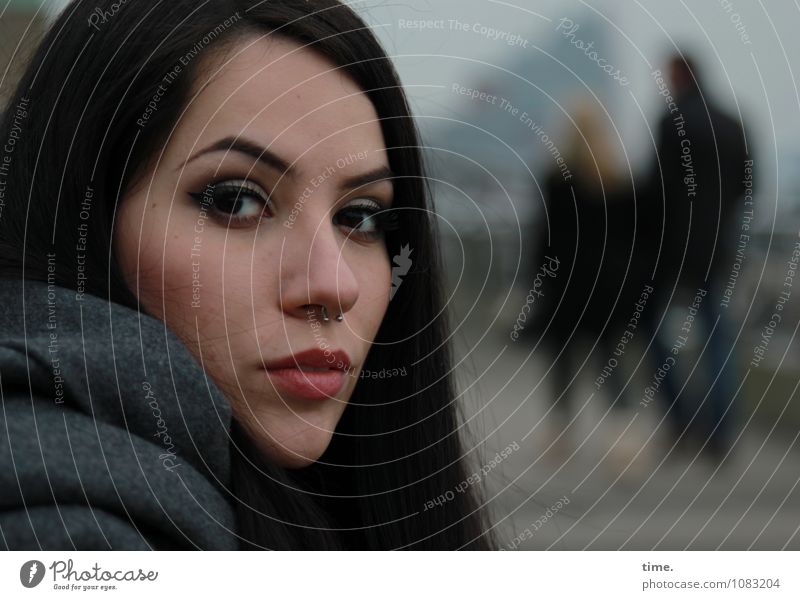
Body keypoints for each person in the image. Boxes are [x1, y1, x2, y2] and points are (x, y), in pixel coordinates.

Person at [0, 0, 497, 550]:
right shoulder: (65, 530)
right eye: (237, 201)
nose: (334, 287)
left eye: (361, 217)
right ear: (79, 215)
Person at [641, 52, 751, 462]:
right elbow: (746, 185)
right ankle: (720, 433)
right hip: (719, 245)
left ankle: (680, 419)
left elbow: (658, 192)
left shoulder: (672, 123)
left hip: (673, 249)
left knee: (651, 328)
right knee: (718, 336)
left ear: (678, 75)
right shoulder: (732, 122)